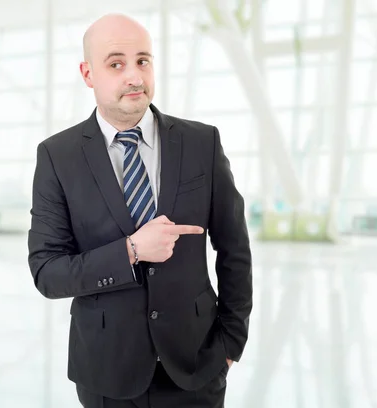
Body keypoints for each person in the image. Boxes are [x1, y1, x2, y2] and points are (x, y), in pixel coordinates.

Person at [27, 13, 252, 408]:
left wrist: (231, 343)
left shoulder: (202, 143)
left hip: (196, 367)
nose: (134, 75)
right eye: (116, 64)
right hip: (106, 374)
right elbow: (48, 272)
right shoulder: (57, 157)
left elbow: (235, 250)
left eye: (143, 61)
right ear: (88, 73)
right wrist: (130, 250)